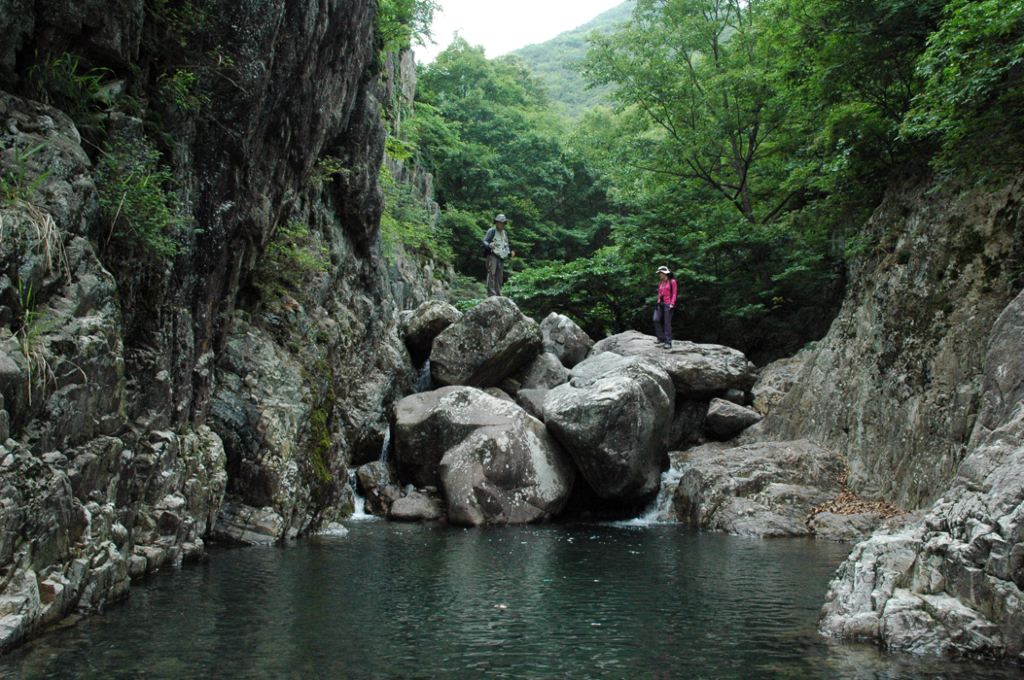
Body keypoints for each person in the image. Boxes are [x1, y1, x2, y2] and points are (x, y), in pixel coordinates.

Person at [482, 213, 515, 297]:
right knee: (491, 274)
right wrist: (489, 245)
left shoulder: (504, 233)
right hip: (493, 255)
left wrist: (510, 253)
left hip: (501, 257)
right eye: (499, 222)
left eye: (502, 223)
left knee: (499, 276)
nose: (501, 224)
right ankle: (491, 293)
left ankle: (498, 293)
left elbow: (506, 245)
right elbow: (484, 241)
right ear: (496, 222)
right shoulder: (492, 231)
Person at [654, 265, 677, 349]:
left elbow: (674, 293)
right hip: (661, 303)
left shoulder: (672, 282)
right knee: (656, 319)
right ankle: (661, 338)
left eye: (660, 273)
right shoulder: (661, 283)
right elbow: (659, 294)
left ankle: (668, 342)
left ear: (665, 274)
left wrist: (672, 303)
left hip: (668, 304)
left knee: (667, 323)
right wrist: (658, 302)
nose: (659, 275)